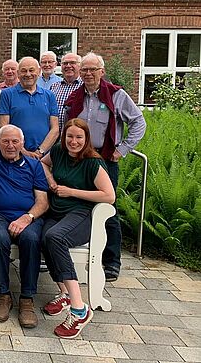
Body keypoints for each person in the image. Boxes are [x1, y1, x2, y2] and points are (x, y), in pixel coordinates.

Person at [64, 52, 146, 282]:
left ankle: (111, 261)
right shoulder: (75, 96)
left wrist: (123, 149)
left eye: (93, 69)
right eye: (85, 70)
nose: (88, 74)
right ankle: (80, 255)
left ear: (102, 71)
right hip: (78, 160)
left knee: (106, 207)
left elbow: (139, 122)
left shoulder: (116, 95)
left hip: (105, 159)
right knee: (76, 204)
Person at [40, 118, 115, 338]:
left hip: (81, 214)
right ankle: (64, 293)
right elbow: (43, 164)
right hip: (57, 212)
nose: (74, 141)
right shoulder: (58, 152)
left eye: (79, 137)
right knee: (44, 237)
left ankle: (79, 308)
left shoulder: (93, 162)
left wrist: (72, 192)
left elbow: (109, 196)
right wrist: (51, 180)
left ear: (86, 139)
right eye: (70, 136)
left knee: (55, 237)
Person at [0, 125, 49, 328]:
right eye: (6, 141)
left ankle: (27, 299)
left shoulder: (34, 166)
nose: (10, 145)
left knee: (30, 239)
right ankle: (3, 295)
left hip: (28, 217)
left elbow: (43, 202)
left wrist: (27, 218)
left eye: (15, 141)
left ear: (22, 143)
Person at [0, 57, 59, 159]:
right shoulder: (7, 94)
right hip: (16, 155)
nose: (28, 74)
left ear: (39, 71)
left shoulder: (49, 95)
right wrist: (22, 151)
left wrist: (40, 151)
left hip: (45, 157)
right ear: (18, 73)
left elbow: (55, 129)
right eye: (23, 71)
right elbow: (4, 127)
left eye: (31, 70)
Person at [50, 53, 83, 132]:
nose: (68, 66)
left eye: (72, 63)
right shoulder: (54, 87)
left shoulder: (84, 86)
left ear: (80, 66)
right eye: (65, 63)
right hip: (55, 136)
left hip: (76, 136)